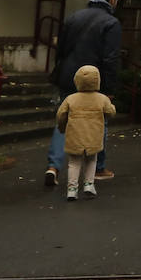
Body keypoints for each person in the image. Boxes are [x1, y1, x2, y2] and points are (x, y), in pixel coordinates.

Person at [47, 0, 123, 187]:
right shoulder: (111, 23)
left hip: (68, 76)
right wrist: (109, 89)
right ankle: (98, 168)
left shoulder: (74, 17)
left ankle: (53, 167)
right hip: (92, 80)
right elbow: (110, 58)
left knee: (64, 118)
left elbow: (61, 48)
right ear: (113, 0)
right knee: (99, 122)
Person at [54, 65, 116, 200]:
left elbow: (61, 115)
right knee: (91, 160)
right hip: (93, 135)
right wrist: (112, 107)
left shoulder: (71, 98)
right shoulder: (102, 98)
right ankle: (88, 184)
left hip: (74, 135)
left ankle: (72, 189)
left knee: (74, 162)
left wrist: (62, 127)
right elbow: (111, 112)